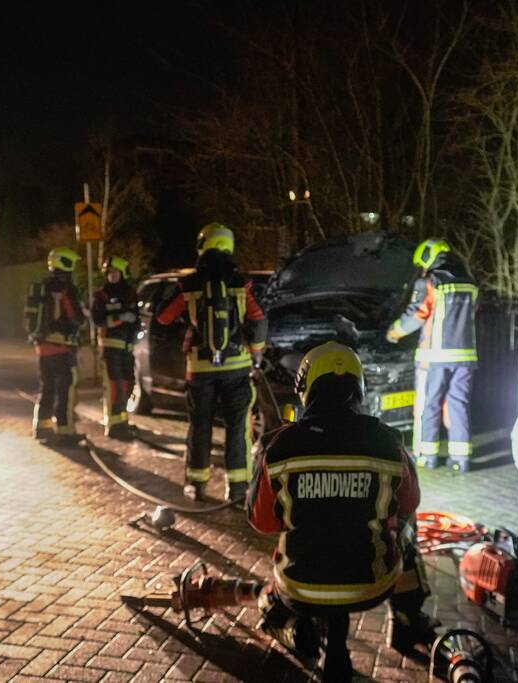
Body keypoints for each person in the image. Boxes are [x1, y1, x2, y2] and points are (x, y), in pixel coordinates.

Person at [247, 342, 440, 682]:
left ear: (306, 389)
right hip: (372, 584)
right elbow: (409, 505)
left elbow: (262, 522)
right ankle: (408, 624)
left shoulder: (281, 445)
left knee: (280, 582)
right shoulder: (388, 442)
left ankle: (291, 628)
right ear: (358, 387)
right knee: (408, 534)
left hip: (299, 585)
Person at [156, 223, 267, 502]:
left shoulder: (190, 284)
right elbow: (258, 318)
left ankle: (196, 485)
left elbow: (163, 317)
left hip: (200, 369)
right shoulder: (240, 282)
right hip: (236, 368)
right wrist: (255, 350)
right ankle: (238, 488)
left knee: (200, 425)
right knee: (238, 427)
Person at [386, 239, 478, 472]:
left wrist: (393, 332)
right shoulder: (470, 283)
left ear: (428, 258)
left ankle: (427, 456)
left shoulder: (429, 282)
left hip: (434, 357)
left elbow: (417, 315)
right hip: (465, 357)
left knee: (429, 406)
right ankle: (461, 459)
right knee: (458, 404)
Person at [25, 246, 86, 447]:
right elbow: (76, 318)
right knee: (66, 390)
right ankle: (65, 432)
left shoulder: (42, 287)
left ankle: (42, 428)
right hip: (62, 348)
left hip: (43, 348)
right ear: (65, 263)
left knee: (47, 388)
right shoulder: (66, 288)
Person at [91, 256, 139, 439]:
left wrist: (134, 332)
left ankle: (122, 421)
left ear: (122, 273)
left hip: (127, 347)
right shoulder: (102, 295)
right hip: (110, 346)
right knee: (115, 386)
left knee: (128, 384)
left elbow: (136, 317)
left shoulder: (130, 293)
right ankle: (113, 426)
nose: (111, 275)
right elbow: (98, 320)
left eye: (114, 272)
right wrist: (120, 318)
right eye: (109, 273)